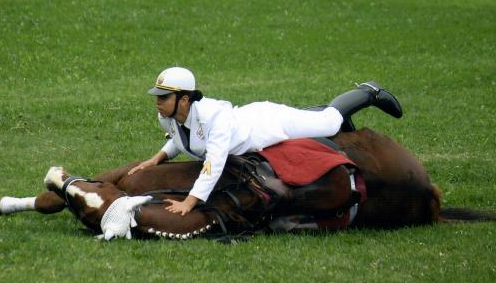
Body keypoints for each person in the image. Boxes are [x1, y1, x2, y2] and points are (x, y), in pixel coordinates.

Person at [128, 67, 402, 216]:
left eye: (163, 97)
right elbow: (180, 140)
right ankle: (311, 113)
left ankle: (368, 92)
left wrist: (190, 202)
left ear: (184, 99)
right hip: (251, 122)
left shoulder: (215, 118)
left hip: (266, 122)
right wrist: (156, 160)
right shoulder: (168, 117)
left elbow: (213, 164)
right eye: (158, 96)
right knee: (319, 122)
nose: (157, 101)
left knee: (329, 122)